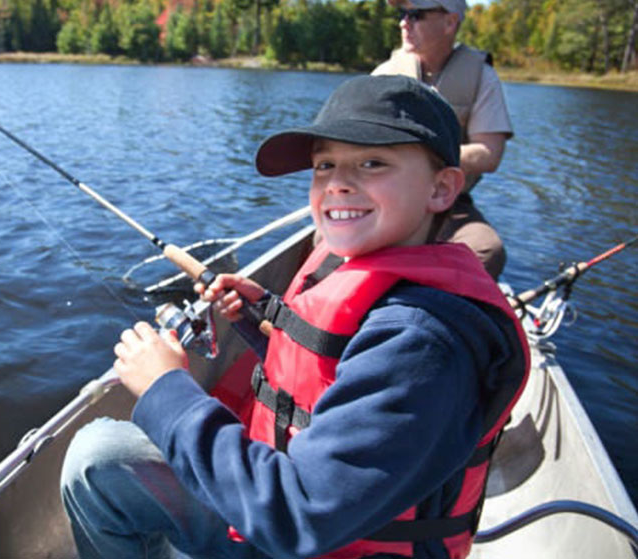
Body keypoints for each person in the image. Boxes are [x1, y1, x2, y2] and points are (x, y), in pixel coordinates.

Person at [60, 75, 529, 559]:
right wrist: (261, 318)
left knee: (97, 459)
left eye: (372, 162)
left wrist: (166, 389)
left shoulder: (421, 344)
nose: (338, 182)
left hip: (300, 535)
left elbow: (295, 517)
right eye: (324, 164)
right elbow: (336, 372)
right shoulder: (381, 287)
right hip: (288, 511)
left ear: (442, 188)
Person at [372, 0, 513, 279]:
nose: (403, 23)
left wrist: (422, 161)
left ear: (450, 22)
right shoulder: (383, 75)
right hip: (383, 199)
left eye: (416, 15)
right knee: (326, 244)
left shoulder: (481, 76)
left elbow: (489, 154)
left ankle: (431, 304)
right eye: (402, 14)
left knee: (487, 250)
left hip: (446, 204)